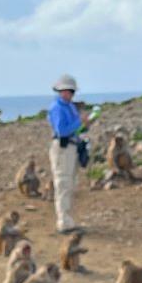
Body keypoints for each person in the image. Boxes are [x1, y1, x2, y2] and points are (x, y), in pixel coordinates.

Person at [46, 74, 86, 234]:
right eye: (66, 90)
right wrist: (80, 122)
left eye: (71, 91)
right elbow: (62, 131)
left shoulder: (69, 106)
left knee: (69, 183)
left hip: (72, 146)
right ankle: (63, 221)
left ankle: (67, 219)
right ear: (60, 91)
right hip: (62, 148)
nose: (69, 93)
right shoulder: (57, 107)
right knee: (63, 183)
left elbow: (74, 129)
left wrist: (84, 126)